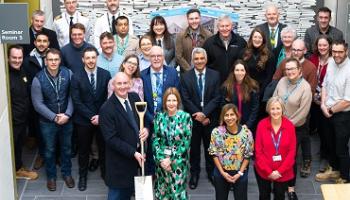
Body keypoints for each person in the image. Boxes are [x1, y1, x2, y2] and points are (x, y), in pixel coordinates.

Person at [99, 72, 149, 200]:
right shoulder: (106, 109)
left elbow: (144, 119)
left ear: (130, 84)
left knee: (128, 192)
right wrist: (133, 153)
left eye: (125, 83)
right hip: (119, 162)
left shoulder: (134, 98)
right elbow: (111, 139)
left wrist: (146, 130)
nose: (122, 86)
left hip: (137, 157)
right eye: (119, 83)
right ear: (113, 86)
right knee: (116, 195)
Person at [31, 48, 74, 191]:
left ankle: (67, 174)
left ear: (60, 60)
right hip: (47, 122)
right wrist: (54, 117)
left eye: (56, 59)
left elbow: (72, 96)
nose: (53, 62)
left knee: (67, 149)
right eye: (50, 59)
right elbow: (38, 104)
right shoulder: (38, 78)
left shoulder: (68, 73)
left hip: (67, 120)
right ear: (45, 61)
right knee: (49, 150)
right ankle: (51, 177)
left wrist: (67, 114)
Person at [70, 47, 111, 191]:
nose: (91, 60)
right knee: (83, 150)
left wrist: (100, 116)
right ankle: (82, 176)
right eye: (87, 58)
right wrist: (91, 116)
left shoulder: (105, 75)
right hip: (83, 120)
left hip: (102, 118)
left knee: (104, 148)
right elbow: (76, 101)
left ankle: (106, 174)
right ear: (83, 60)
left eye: (93, 57)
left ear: (97, 58)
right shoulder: (76, 76)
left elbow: (108, 98)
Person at [181, 47, 221, 189]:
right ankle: (195, 174)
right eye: (196, 59)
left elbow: (217, 98)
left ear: (206, 59)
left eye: (201, 58)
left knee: (210, 149)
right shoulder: (185, 76)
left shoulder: (215, 75)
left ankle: (211, 173)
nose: (199, 61)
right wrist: (199, 115)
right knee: (194, 150)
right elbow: (186, 100)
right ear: (192, 60)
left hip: (210, 119)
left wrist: (205, 114)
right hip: (193, 120)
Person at [273, 57, 313, 199]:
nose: (289, 71)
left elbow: (303, 112)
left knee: (290, 159)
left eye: (292, 69)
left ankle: (290, 188)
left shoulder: (305, 87)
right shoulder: (282, 81)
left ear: (299, 70)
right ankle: (278, 183)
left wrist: (286, 125)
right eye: (287, 69)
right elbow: (274, 100)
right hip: (277, 126)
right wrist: (276, 121)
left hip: (295, 129)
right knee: (278, 156)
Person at [141, 46, 180, 175]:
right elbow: (141, 102)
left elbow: (177, 98)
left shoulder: (173, 73)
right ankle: (152, 176)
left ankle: (166, 175)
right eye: (153, 56)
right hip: (149, 120)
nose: (156, 58)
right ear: (149, 58)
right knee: (151, 150)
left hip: (168, 119)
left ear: (163, 57)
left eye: (159, 56)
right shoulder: (142, 75)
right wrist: (152, 120)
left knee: (167, 149)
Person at [316, 40, 350, 184]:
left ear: (346, 51)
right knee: (330, 144)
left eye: (340, 52)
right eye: (334, 51)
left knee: (341, 148)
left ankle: (345, 177)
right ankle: (334, 170)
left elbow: (348, 101)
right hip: (327, 111)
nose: (337, 54)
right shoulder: (331, 63)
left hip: (342, 114)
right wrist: (323, 105)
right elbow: (324, 85)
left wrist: (329, 109)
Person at [153, 87, 193, 199]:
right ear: (165, 102)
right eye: (168, 100)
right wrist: (161, 160)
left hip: (178, 163)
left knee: (177, 194)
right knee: (163, 193)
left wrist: (170, 160)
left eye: (174, 100)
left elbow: (185, 143)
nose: (171, 103)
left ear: (178, 102)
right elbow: (156, 139)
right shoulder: (159, 117)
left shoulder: (185, 117)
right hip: (162, 164)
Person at [208, 103, 254, 200]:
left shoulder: (247, 133)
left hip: (240, 173)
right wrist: (222, 172)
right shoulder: (216, 132)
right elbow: (214, 153)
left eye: (232, 114)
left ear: (237, 116)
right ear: (223, 117)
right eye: (226, 115)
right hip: (221, 173)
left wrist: (239, 173)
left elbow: (247, 155)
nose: (229, 118)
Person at [255, 96, 296, 200]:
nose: (275, 111)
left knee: (280, 196)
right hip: (263, 170)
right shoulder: (261, 125)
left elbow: (292, 152)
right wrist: (269, 171)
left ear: (282, 109)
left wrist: (279, 171)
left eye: (278, 108)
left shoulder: (290, 126)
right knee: (264, 196)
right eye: (272, 108)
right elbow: (258, 151)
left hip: (283, 171)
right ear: (268, 110)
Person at [8, 45, 39, 180]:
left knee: (19, 145)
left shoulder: (22, 71)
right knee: (13, 146)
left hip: (23, 119)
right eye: (14, 57)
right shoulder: (5, 76)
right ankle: (14, 171)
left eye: (19, 57)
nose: (17, 60)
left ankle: (18, 167)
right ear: (8, 58)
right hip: (13, 121)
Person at [22, 32, 51, 170]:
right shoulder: (27, 60)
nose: (41, 43)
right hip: (36, 103)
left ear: (48, 43)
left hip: (53, 101)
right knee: (40, 130)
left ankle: (54, 155)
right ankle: (42, 154)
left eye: (44, 41)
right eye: (39, 41)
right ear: (34, 43)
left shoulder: (54, 58)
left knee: (54, 130)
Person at [309, 35, 332, 172]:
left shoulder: (333, 61)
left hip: (327, 99)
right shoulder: (313, 59)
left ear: (329, 45)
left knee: (325, 129)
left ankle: (326, 157)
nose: (322, 47)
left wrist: (322, 98)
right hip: (313, 99)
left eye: (325, 45)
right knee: (315, 125)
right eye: (320, 45)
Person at [241, 28, 275, 120]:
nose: (257, 39)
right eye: (255, 37)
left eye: (259, 37)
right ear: (251, 38)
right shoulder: (243, 53)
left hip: (261, 92)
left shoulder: (270, 55)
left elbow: (269, 76)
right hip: (245, 90)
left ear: (263, 40)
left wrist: (260, 93)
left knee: (259, 118)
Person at [203, 15, 247, 83]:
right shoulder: (209, 43)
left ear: (231, 26)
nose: (225, 28)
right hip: (215, 84)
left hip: (235, 83)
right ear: (218, 27)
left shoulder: (241, 42)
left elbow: (245, 63)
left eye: (227, 26)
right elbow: (204, 65)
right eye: (222, 26)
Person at [221, 59, 259, 131]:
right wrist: (231, 124)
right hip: (231, 124)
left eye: (242, 70)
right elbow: (223, 107)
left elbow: (255, 109)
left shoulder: (253, 86)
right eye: (237, 70)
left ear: (246, 72)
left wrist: (248, 125)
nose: (239, 73)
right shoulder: (226, 87)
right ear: (233, 72)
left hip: (248, 125)